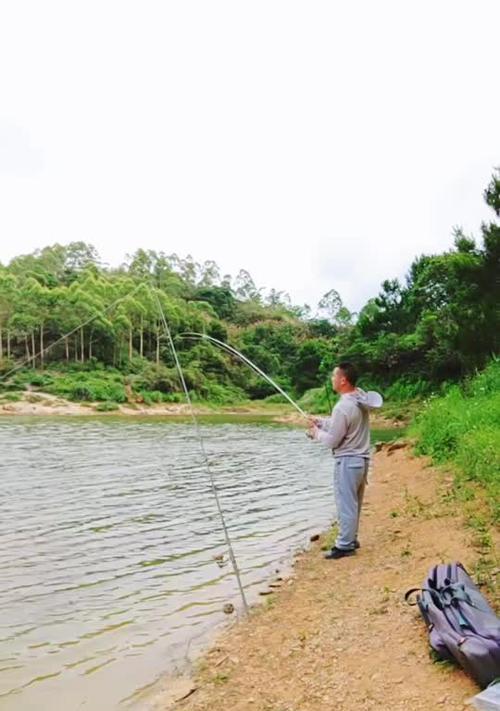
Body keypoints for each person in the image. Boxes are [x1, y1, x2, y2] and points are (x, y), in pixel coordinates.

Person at [307, 362, 383, 560]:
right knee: (354, 503)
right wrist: (321, 422)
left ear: (343, 380)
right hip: (362, 461)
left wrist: (316, 434)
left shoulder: (342, 406)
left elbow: (333, 439)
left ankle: (344, 545)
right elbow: (342, 426)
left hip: (348, 462)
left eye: (334, 376)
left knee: (346, 504)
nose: (332, 379)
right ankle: (351, 538)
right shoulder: (359, 401)